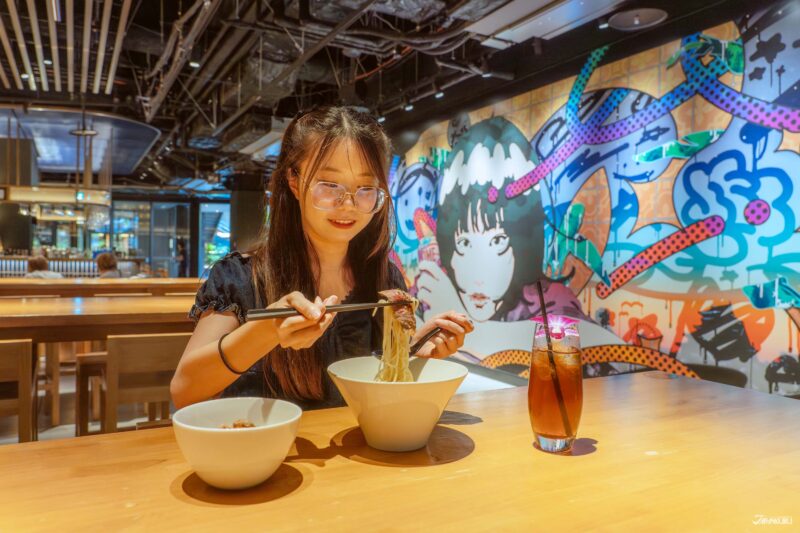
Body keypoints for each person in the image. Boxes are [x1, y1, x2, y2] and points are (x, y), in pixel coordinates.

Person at [171, 107, 473, 410]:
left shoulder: (383, 280)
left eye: (366, 189)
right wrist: (266, 331)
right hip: (264, 451)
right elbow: (184, 390)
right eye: (330, 186)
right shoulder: (238, 277)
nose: (348, 205)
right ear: (293, 180)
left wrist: (415, 350)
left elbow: (375, 381)